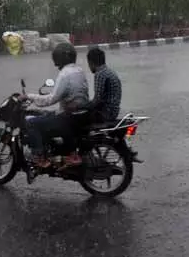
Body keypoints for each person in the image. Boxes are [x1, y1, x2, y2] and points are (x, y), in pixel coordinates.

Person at [20, 42, 89, 171]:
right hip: (81, 115)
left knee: (32, 123)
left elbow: (51, 99)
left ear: (61, 57)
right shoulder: (79, 71)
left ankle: (39, 157)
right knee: (47, 115)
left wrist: (29, 96)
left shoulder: (65, 74)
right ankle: (61, 153)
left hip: (68, 118)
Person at [86, 46, 138, 162]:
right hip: (113, 111)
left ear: (91, 62)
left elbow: (97, 100)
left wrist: (84, 106)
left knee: (79, 121)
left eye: (88, 63)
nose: (89, 67)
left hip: (105, 113)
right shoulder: (109, 71)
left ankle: (85, 152)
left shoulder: (100, 74)